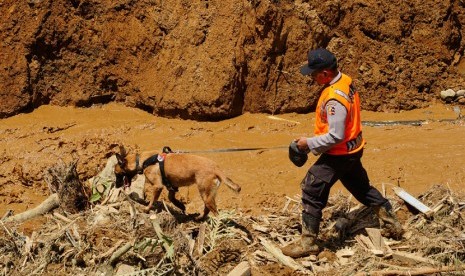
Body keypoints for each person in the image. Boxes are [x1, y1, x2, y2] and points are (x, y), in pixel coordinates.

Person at [282, 48, 403, 258]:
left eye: (313, 73)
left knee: (311, 188)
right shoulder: (344, 81)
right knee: (361, 188)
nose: (311, 77)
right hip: (353, 150)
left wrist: (307, 144)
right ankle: (392, 222)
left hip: (338, 154)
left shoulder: (334, 100)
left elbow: (336, 135)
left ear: (325, 73)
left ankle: (308, 243)